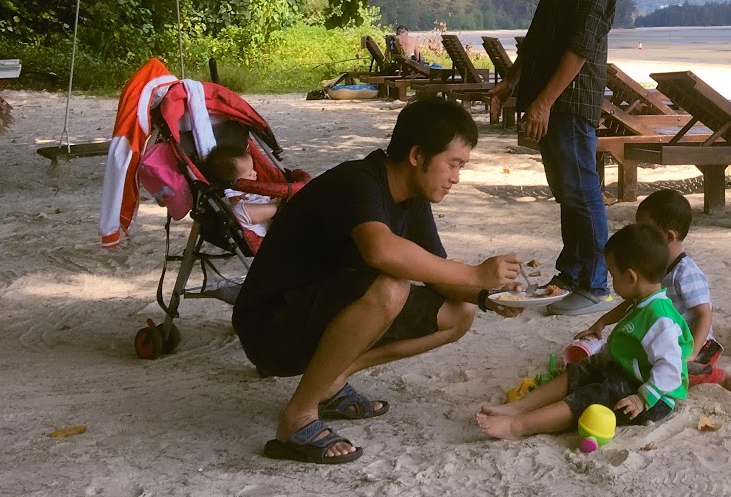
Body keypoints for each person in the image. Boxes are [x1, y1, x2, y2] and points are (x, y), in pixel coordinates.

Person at [233, 97, 523, 465]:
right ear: (417, 155)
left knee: (460, 312)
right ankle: (298, 416)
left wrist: (488, 295)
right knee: (392, 284)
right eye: (453, 164)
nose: (457, 178)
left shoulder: (413, 197)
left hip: (318, 314)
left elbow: (437, 273)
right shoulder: (358, 181)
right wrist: (474, 273)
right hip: (270, 327)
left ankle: (333, 380)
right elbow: (380, 251)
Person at [488, 0, 617, 316]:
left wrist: (543, 103)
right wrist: (511, 81)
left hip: (571, 101)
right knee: (565, 192)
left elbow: (579, 48)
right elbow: (539, 31)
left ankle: (596, 284)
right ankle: (570, 274)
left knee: (583, 191)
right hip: (545, 98)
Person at [476, 224, 690, 440]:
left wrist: (642, 399)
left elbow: (671, 367)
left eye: (613, 275)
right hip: (627, 373)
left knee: (592, 397)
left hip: (652, 395)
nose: (611, 281)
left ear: (631, 277)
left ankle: (518, 425)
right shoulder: (643, 300)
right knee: (582, 369)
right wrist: (601, 324)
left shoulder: (661, 320)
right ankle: (519, 408)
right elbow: (624, 308)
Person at [575, 189, 731, 397]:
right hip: (664, 340)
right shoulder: (650, 268)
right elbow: (633, 301)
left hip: (693, 345)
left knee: (674, 376)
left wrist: (692, 352)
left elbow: (704, 314)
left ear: (668, 236)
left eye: (645, 229)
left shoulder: (686, 272)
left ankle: (720, 376)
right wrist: (601, 323)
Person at [197, 120, 286, 248]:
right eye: (250, 174)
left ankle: (279, 206)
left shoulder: (254, 188)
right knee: (238, 211)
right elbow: (227, 204)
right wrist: (233, 200)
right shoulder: (228, 192)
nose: (255, 174)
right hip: (250, 230)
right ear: (232, 181)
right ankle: (278, 208)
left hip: (268, 223)